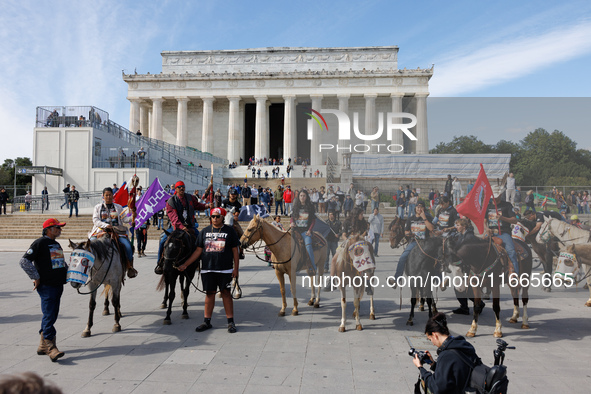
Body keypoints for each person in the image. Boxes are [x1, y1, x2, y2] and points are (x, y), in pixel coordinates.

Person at [178, 207, 240, 333]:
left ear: (223, 217)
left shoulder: (230, 231)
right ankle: (206, 321)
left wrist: (236, 269)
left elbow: (235, 250)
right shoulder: (205, 231)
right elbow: (198, 251)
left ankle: (230, 322)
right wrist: (186, 264)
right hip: (208, 269)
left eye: (217, 216)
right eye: (213, 216)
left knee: (226, 294)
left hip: (225, 269)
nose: (215, 219)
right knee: (209, 294)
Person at [19, 218, 67, 361]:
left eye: (60, 227)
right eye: (57, 227)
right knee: (49, 314)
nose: (60, 230)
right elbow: (24, 261)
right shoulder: (39, 243)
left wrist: (71, 275)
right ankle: (50, 345)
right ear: (49, 229)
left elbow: (60, 263)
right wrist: (35, 277)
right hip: (47, 285)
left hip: (58, 284)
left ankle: (42, 345)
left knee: (51, 313)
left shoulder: (56, 244)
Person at [413, 312, 481, 394]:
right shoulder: (463, 345)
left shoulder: (446, 355)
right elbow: (453, 371)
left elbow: (436, 388)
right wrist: (433, 364)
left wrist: (421, 368)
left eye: (430, 339)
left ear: (435, 335)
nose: (433, 343)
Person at [155, 181, 211, 274]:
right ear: (176, 189)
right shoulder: (171, 201)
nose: (182, 188)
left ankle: (203, 262)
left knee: (202, 241)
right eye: (179, 187)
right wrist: (181, 227)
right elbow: (174, 218)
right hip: (176, 228)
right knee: (162, 241)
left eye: (183, 187)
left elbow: (197, 205)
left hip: (190, 227)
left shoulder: (190, 198)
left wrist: (207, 206)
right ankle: (160, 263)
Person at [89, 187, 137, 278]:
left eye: (110, 195)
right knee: (90, 244)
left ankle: (129, 266)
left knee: (128, 246)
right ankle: (89, 266)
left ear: (113, 196)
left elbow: (125, 219)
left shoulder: (118, 207)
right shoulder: (98, 207)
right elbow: (95, 220)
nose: (108, 197)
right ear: (103, 196)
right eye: (106, 195)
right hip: (101, 231)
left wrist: (133, 217)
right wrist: (105, 225)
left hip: (117, 232)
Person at [450, 218, 485, 315]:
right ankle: (464, 307)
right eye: (456, 225)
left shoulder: (469, 237)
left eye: (458, 225)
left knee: (465, 288)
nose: (456, 227)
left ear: (464, 227)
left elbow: (466, 252)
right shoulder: (461, 235)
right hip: (463, 264)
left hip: (469, 266)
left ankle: (479, 304)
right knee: (460, 287)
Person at [394, 203, 434, 281]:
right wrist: (409, 234)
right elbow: (406, 231)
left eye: (421, 207)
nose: (419, 209)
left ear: (423, 208)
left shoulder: (428, 217)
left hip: (425, 242)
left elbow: (431, 229)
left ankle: (440, 280)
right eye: (418, 207)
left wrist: (424, 218)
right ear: (415, 208)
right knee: (403, 257)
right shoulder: (410, 219)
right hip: (414, 241)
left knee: (435, 258)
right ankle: (397, 278)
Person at [486, 193, 519, 276]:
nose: (495, 199)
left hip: (503, 233)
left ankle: (514, 274)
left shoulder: (507, 205)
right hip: (491, 233)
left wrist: (502, 218)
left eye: (497, 197)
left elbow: (514, 220)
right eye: (493, 198)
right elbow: (484, 221)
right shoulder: (488, 206)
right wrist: (486, 229)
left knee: (511, 251)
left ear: (500, 196)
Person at [291, 189, 317, 274]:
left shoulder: (310, 207)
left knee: (308, 247)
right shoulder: (295, 206)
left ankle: (312, 267)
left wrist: (310, 230)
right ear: (298, 197)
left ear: (306, 197)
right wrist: (292, 223)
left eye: (304, 196)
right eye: (301, 196)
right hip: (296, 231)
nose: (302, 197)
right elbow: (292, 218)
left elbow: (313, 220)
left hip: (306, 232)